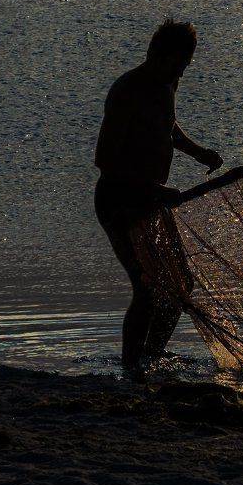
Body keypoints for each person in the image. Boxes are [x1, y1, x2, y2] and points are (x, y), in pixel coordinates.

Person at [94, 19, 223, 379]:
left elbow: (166, 126)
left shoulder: (168, 82)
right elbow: (105, 160)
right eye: (179, 62)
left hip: (150, 200)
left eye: (186, 64)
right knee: (147, 287)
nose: (183, 71)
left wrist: (198, 153)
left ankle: (152, 357)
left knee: (181, 284)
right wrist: (152, 189)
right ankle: (131, 368)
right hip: (119, 202)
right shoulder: (127, 91)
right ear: (158, 55)